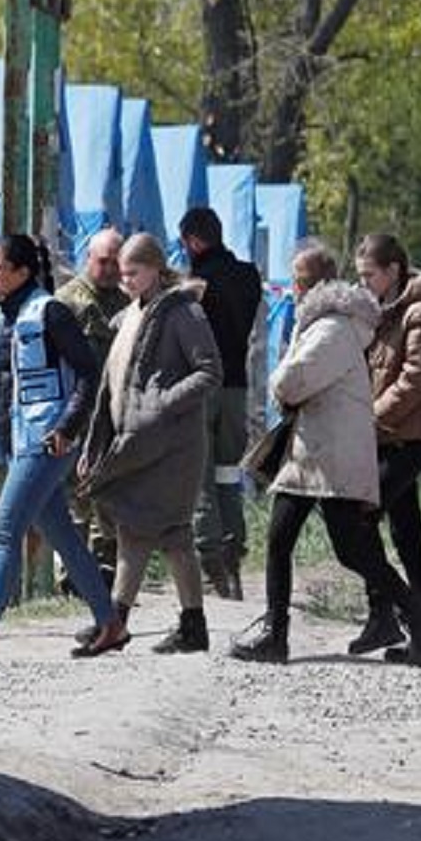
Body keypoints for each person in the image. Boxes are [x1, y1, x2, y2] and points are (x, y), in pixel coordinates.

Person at [229, 241, 421, 666]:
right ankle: (417, 621)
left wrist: (280, 384)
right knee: (340, 547)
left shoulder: (331, 328)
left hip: (325, 453)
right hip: (322, 451)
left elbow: (291, 382)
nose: (292, 288)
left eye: (298, 280)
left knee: (327, 546)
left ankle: (279, 634)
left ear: (310, 285)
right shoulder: (329, 323)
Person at [0, 235, 112, 660]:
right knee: (64, 538)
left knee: (5, 530)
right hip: (20, 440)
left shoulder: (50, 312)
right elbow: (0, 391)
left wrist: (68, 427)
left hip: (48, 440)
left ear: (21, 272)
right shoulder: (2, 319)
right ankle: (110, 623)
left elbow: (89, 374)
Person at [76, 233, 222, 655]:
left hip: (172, 446)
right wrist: (96, 440)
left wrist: (162, 403)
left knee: (139, 532)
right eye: (123, 275)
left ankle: (115, 623)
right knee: (169, 536)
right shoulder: (128, 317)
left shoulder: (183, 312)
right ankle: (191, 627)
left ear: (157, 269)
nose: (126, 282)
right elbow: (111, 385)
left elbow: (209, 371)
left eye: (134, 273)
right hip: (136, 442)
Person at [347, 233, 421, 657]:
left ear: (393, 271)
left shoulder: (420, 313)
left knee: (360, 517)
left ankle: (393, 617)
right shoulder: (383, 312)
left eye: (368, 275)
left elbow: (415, 380)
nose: (363, 284)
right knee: (407, 532)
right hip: (390, 435)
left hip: (410, 436)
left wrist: (369, 420)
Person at [180, 206, 262, 599]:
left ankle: (211, 560)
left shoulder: (196, 283)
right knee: (229, 472)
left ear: (193, 241)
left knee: (200, 474)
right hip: (236, 387)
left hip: (202, 386)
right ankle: (233, 551)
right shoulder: (249, 276)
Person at [54, 227, 129, 582]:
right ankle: (70, 569)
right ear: (89, 259)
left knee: (108, 492)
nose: (111, 270)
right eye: (104, 262)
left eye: (117, 263)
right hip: (75, 411)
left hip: (112, 414)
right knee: (73, 495)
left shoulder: (126, 304)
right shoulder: (67, 301)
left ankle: (104, 566)